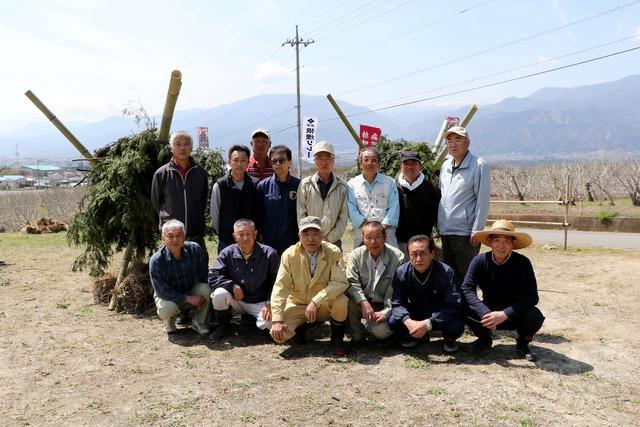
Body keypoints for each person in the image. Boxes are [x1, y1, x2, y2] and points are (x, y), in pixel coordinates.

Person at [462, 220, 545, 361]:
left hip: (514, 314)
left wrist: (505, 314)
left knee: (534, 315)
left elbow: (531, 297)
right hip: (487, 314)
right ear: (490, 242)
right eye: (496, 240)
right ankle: (484, 338)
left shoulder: (523, 263)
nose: (501, 246)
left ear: (513, 244)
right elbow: (467, 288)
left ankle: (523, 343)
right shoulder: (480, 261)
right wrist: (484, 313)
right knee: (460, 305)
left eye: (506, 241)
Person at [270, 216, 349, 356]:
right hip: (299, 304)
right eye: (306, 234)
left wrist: (316, 300)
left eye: (315, 234)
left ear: (321, 235)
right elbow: (280, 288)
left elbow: (340, 282)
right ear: (299, 236)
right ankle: (300, 328)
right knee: (279, 334)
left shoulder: (333, 251)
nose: (311, 239)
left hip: (324, 305)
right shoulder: (289, 254)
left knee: (341, 301)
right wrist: (276, 319)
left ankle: (337, 337)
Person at [389, 235, 464, 353]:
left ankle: (449, 339)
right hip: (416, 312)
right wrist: (408, 321)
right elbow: (397, 303)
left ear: (432, 253)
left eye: (423, 253)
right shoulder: (401, 272)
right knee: (394, 320)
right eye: (414, 254)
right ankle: (416, 336)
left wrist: (428, 323)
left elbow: (454, 305)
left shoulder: (446, 272)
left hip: (439, 313)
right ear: (408, 255)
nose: (419, 259)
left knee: (456, 326)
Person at [208, 219, 280, 340]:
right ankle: (224, 326)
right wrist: (233, 286)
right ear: (234, 236)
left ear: (255, 234)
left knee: (270, 324)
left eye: (248, 233)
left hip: (260, 301)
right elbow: (212, 275)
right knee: (219, 294)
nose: (245, 238)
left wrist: (270, 302)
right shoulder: (227, 253)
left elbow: (277, 281)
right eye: (241, 234)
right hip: (236, 299)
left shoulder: (269, 253)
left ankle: (252, 319)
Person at [438, 126, 490, 282]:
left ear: (468, 142)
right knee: (449, 275)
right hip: (445, 230)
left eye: (458, 139)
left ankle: (468, 307)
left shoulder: (479, 165)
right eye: (449, 141)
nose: (453, 144)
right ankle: (453, 307)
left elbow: (483, 200)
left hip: (465, 233)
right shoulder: (446, 166)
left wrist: (477, 229)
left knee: (466, 277)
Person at [151, 130, 209, 259]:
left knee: (199, 272)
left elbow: (203, 200)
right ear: (172, 148)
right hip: (172, 235)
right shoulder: (161, 174)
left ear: (191, 148)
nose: (182, 148)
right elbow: (156, 203)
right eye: (178, 144)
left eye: (186, 144)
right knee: (173, 271)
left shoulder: (200, 173)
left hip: (195, 233)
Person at [346, 220, 405, 345]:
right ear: (363, 238)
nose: (373, 242)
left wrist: (386, 312)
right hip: (361, 302)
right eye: (369, 238)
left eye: (377, 237)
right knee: (346, 302)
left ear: (385, 237)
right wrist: (363, 302)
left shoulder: (398, 257)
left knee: (381, 332)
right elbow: (352, 282)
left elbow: (396, 291)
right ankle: (357, 334)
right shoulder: (355, 255)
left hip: (383, 304)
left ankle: (372, 329)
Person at [149, 219, 210, 335]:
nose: (175, 240)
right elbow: (162, 292)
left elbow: (204, 276)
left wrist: (207, 300)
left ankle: (199, 321)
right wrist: (189, 299)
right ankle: (169, 321)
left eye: (179, 235)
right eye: (170, 236)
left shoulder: (195, 249)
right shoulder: (156, 260)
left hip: (189, 289)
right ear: (163, 239)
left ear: (184, 237)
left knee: (206, 288)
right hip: (168, 296)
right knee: (167, 309)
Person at [296, 141, 349, 250]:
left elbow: (343, 218)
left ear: (333, 160)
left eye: (327, 158)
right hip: (309, 242)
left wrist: (328, 239)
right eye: (320, 158)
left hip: (333, 243)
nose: (324, 162)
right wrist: (311, 237)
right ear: (315, 161)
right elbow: (301, 214)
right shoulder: (305, 185)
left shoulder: (342, 187)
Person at [347, 147, 400, 248]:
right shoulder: (352, 184)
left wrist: (381, 229)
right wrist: (367, 228)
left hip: (386, 233)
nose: (369, 163)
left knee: (392, 262)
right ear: (360, 163)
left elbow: (394, 207)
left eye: (374, 160)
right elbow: (351, 208)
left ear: (379, 164)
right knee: (362, 262)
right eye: (366, 159)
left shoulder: (389, 182)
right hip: (362, 234)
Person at [210, 144, 258, 253]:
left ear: (248, 163)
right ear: (229, 162)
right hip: (226, 241)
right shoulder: (220, 185)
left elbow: (258, 211)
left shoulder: (255, 184)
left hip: (250, 240)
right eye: (236, 160)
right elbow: (215, 214)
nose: (239, 164)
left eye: (243, 160)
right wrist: (223, 232)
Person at [254, 145, 300, 255]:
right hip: (268, 246)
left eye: (282, 160)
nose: (278, 164)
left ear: (289, 162)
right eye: (274, 161)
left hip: (293, 245)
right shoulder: (263, 186)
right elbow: (258, 215)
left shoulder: (299, 185)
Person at [396, 150, 441, 259]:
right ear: (401, 166)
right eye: (406, 163)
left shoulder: (431, 189)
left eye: (414, 163)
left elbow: (436, 216)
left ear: (420, 166)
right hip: (400, 242)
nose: (410, 167)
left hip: (423, 243)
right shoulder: (394, 187)